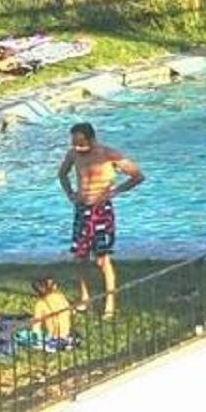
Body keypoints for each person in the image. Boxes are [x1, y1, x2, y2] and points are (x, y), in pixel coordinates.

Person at [57, 122, 145, 317]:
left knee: (102, 259)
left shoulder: (109, 154)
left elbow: (137, 176)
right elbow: (62, 174)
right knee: (79, 257)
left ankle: (110, 303)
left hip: (101, 210)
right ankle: (85, 298)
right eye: (74, 143)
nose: (77, 147)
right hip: (82, 209)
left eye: (81, 143)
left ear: (92, 139)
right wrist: (70, 194)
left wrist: (115, 191)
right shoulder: (73, 155)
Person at [30, 276, 73, 341]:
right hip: (67, 335)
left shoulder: (40, 304)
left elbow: (36, 328)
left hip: (55, 338)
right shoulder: (61, 296)